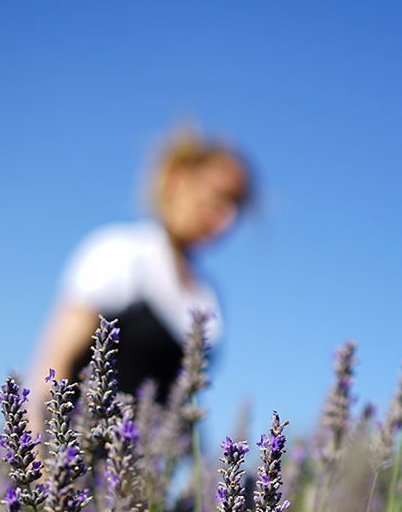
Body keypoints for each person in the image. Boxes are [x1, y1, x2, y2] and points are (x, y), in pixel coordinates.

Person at [27, 129, 252, 429]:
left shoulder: (207, 294)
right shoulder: (121, 254)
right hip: (83, 459)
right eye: (219, 197)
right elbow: (52, 364)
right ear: (178, 179)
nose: (227, 220)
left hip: (152, 467)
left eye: (236, 207)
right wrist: (38, 466)